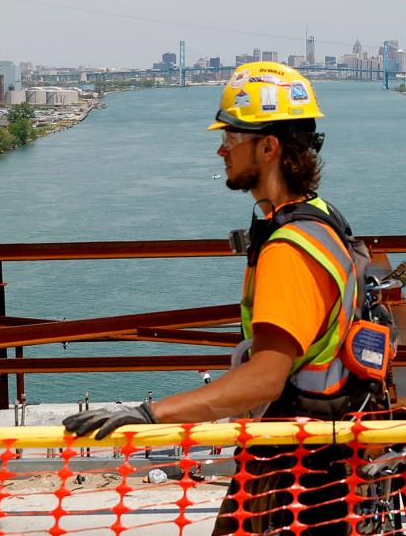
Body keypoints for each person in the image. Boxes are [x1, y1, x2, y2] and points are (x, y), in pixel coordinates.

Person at [64, 61, 374, 534]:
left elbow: (265, 379)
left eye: (231, 140)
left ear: (268, 147)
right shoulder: (319, 216)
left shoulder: (290, 248)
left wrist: (150, 414)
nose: (220, 149)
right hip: (324, 449)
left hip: (296, 464)